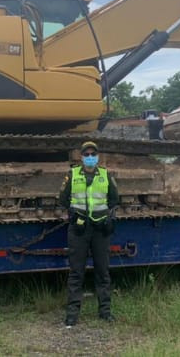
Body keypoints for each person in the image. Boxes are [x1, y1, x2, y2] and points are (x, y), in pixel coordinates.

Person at [59, 140, 119, 327]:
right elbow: (63, 199)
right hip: (79, 229)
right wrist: (75, 214)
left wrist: (106, 216)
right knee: (76, 272)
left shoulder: (106, 175)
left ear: (98, 157)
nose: (90, 157)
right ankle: (72, 314)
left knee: (102, 271)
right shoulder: (72, 175)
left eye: (93, 154)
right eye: (87, 154)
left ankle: (105, 312)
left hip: (100, 230)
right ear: (81, 156)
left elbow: (114, 199)